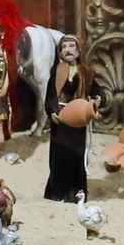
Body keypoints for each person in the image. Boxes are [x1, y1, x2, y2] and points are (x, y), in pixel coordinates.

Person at [43, 35, 91, 203]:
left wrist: (97, 101)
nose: (68, 50)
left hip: (77, 120)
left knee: (75, 156)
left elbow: (97, 92)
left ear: (79, 50)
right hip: (60, 120)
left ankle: (74, 193)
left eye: (72, 46)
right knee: (58, 156)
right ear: (60, 52)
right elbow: (50, 95)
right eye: (64, 47)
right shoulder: (57, 71)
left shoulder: (85, 73)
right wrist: (52, 111)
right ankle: (57, 192)